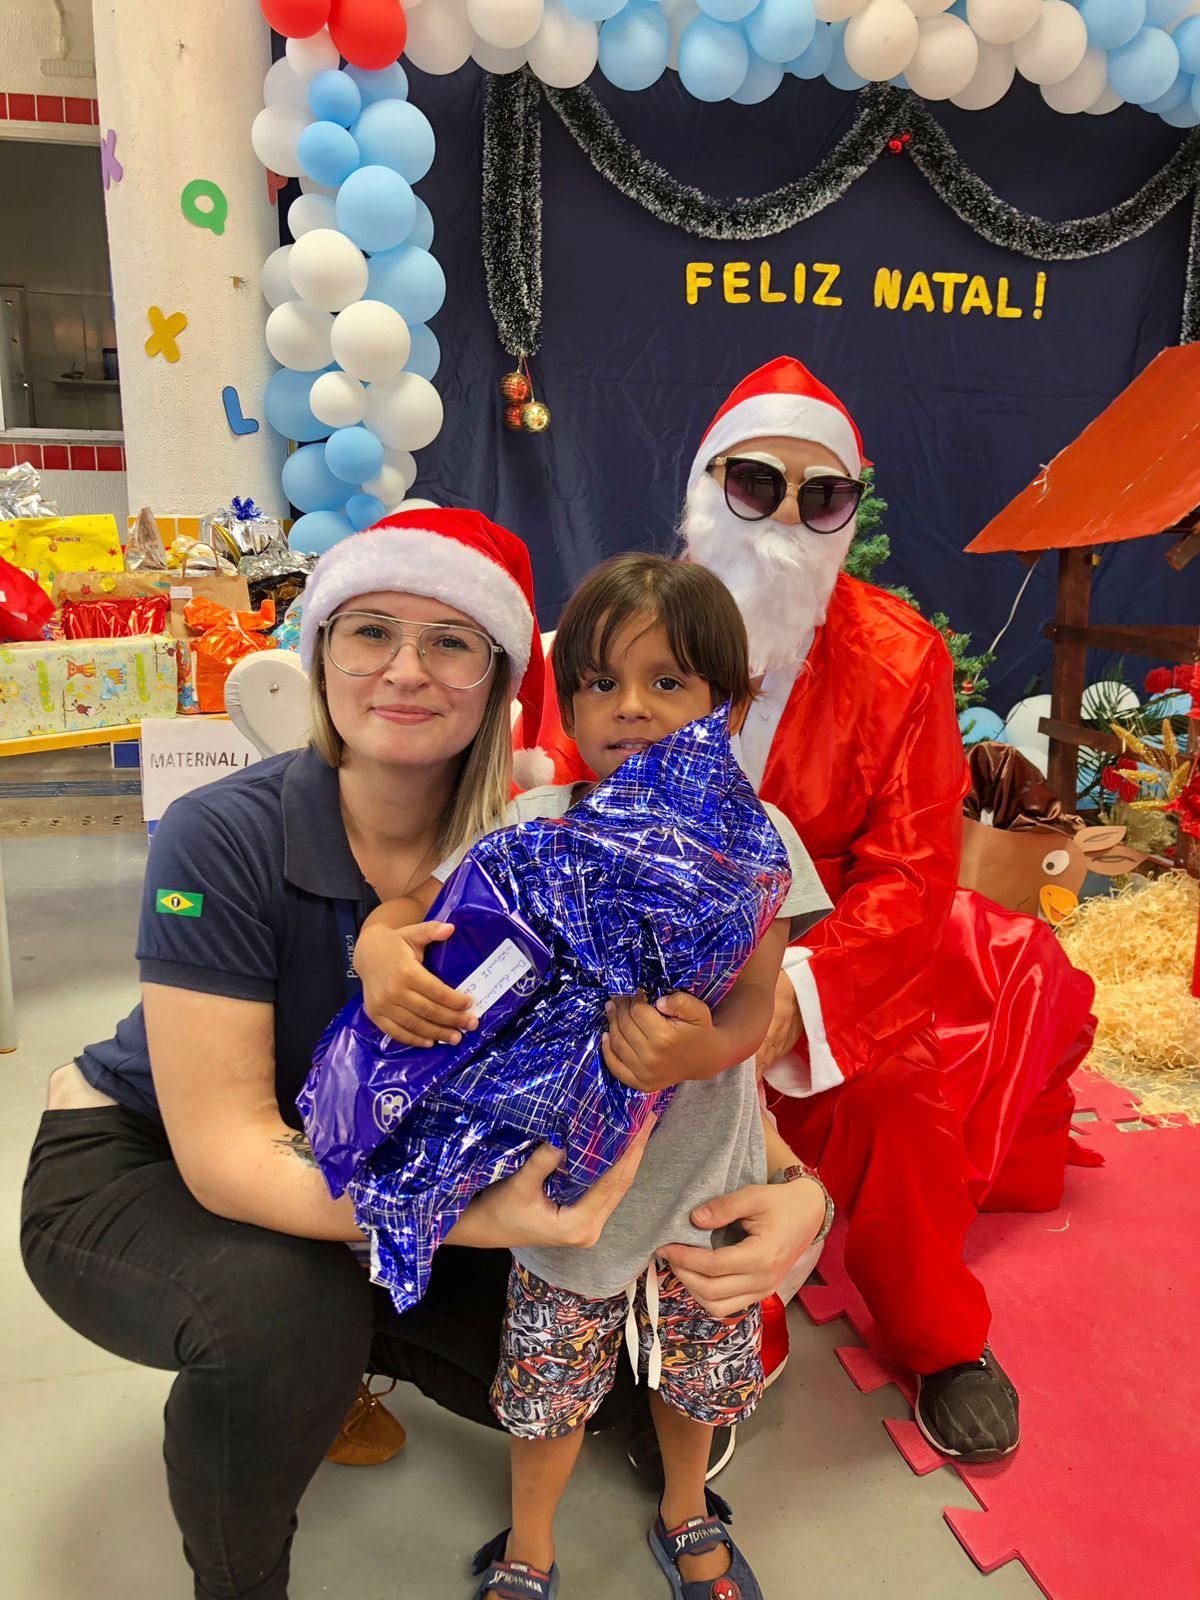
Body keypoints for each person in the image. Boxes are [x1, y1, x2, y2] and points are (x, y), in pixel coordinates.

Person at [20, 509, 829, 1600]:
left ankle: (359, 1345)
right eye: (368, 631)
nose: (406, 667)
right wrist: (485, 1217)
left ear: (499, 677)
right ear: (318, 655)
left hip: (379, 1160)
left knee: (620, 1395)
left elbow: (716, 1019)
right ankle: (245, 1565)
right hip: (156, 1157)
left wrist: (797, 1190)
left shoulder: (538, 833)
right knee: (285, 1307)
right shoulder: (243, 835)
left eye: (450, 640)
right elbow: (228, 1154)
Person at [533, 358, 1098, 1465]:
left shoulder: (901, 658)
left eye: (821, 493)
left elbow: (912, 870)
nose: (787, 515)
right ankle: (702, 1349)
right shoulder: (622, 623)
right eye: (754, 483)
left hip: (824, 962)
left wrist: (787, 999)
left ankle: (939, 1337)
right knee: (623, 1121)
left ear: (850, 509)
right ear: (706, 486)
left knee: (896, 1107)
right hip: (629, 970)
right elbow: (564, 785)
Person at [355, 553, 833, 1600]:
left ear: (727, 701)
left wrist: (698, 1049)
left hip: (706, 1183)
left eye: (669, 683)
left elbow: (756, 1006)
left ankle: (687, 1507)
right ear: (563, 697)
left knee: (699, 1376)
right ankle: (530, 1544)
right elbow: (416, 910)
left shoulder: (758, 840)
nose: (631, 709)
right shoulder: (537, 827)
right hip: (561, 1192)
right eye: (601, 682)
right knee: (545, 1390)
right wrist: (378, 951)